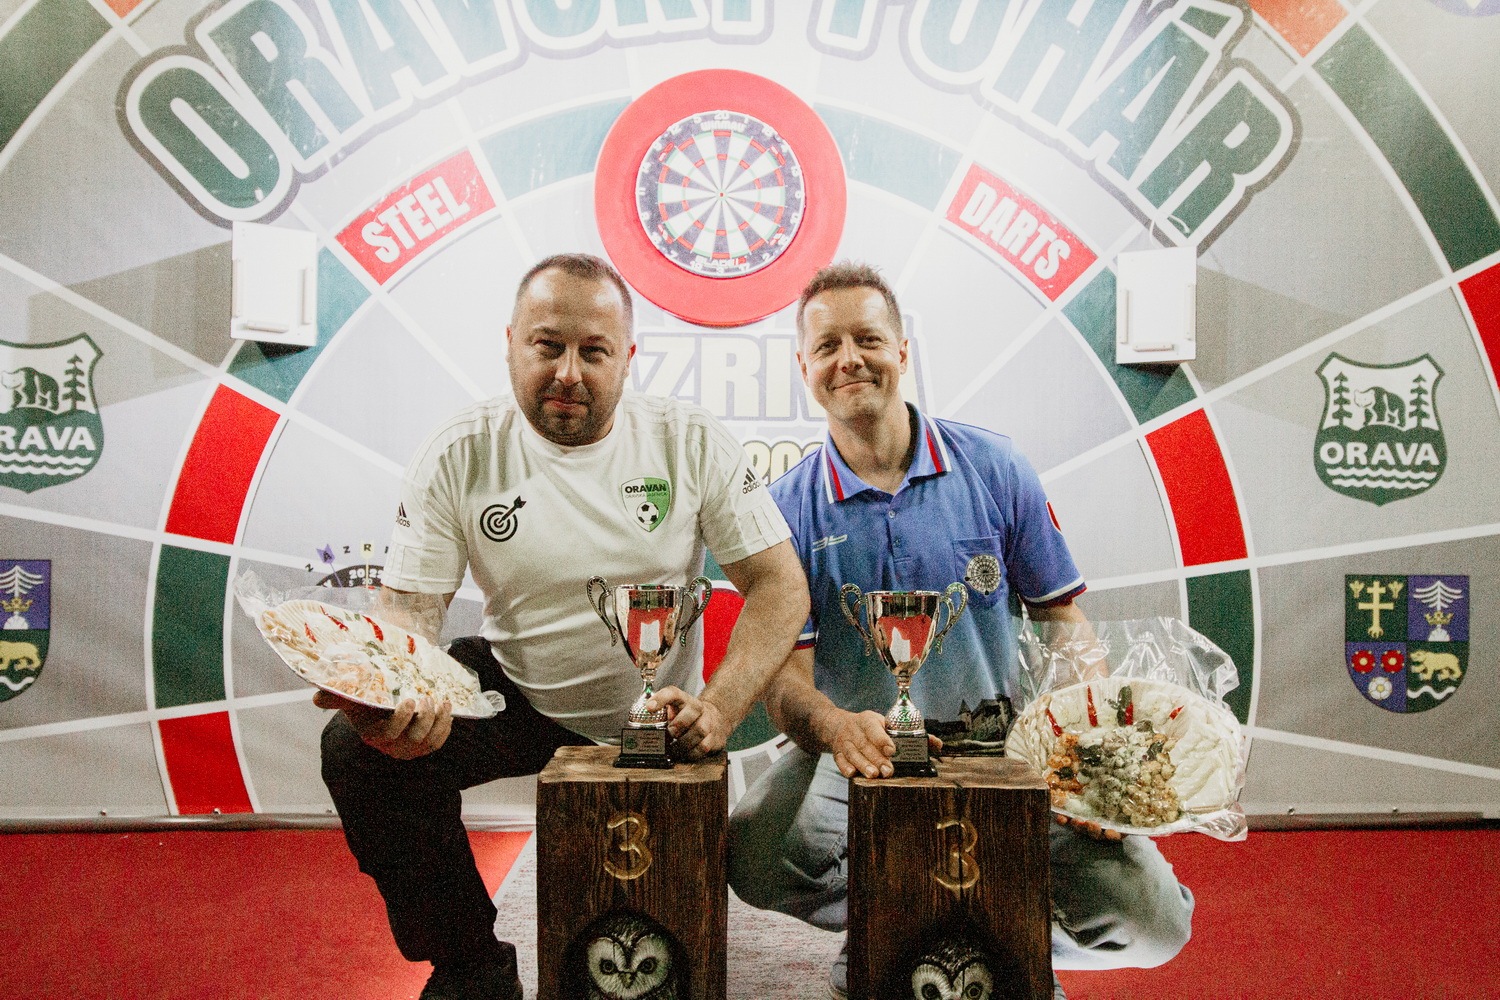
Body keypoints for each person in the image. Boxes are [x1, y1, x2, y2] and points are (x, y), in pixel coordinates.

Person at [317, 253, 809, 1000]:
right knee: (357, 751)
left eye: (594, 352)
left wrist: (719, 707)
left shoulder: (688, 439)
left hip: (655, 715)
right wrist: (394, 693)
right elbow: (410, 611)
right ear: (510, 344)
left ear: (629, 358)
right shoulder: (461, 450)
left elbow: (780, 584)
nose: (569, 373)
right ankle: (470, 965)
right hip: (520, 691)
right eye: (548, 346)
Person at [727, 262, 1194, 999]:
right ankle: (895, 922)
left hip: (1006, 754)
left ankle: (993, 930)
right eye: (827, 346)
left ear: (902, 350)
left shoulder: (996, 466)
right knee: (756, 854)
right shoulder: (784, 507)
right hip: (859, 763)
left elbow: (1064, 621)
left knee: (1156, 921)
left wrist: (1090, 743)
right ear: (803, 367)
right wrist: (836, 728)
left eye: (867, 339)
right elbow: (786, 685)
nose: (849, 359)